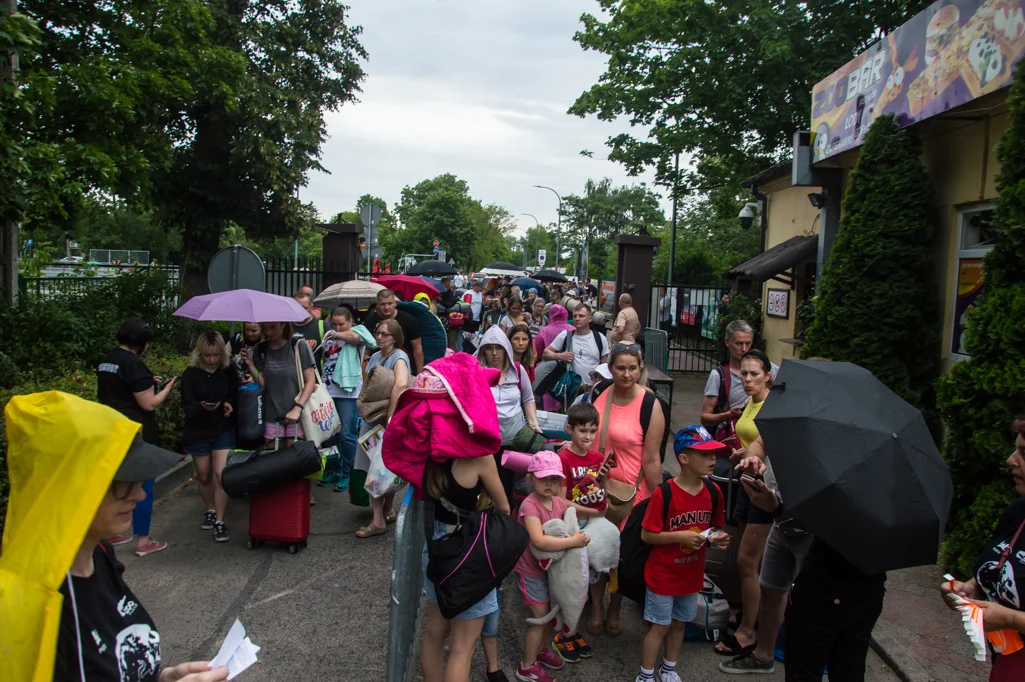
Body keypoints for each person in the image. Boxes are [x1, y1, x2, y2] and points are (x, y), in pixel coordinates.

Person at [2, 391, 230, 681]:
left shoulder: (98, 554)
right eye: (122, 482)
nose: (140, 493)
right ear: (69, 487)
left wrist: (161, 677)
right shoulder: (24, 610)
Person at [636, 425, 729, 682]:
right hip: (663, 575)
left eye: (713, 454)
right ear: (684, 458)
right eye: (705, 454)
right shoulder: (664, 493)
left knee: (679, 624)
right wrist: (680, 536)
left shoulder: (713, 492)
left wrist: (717, 538)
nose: (713, 460)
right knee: (660, 626)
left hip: (691, 575)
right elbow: (647, 535)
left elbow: (714, 528)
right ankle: (645, 675)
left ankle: (669, 668)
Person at [940, 417, 1025, 681]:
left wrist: (1012, 619)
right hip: (1006, 664)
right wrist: (970, 587)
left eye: (1024, 452)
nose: (1011, 460)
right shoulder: (1018, 512)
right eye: (1016, 449)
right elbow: (1004, 565)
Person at [590, 343, 665, 636]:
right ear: (610, 368)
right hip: (597, 489)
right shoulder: (600, 394)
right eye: (620, 367)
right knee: (596, 551)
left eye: (632, 368)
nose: (626, 374)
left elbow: (651, 458)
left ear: (641, 367)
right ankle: (596, 606)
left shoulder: (650, 404)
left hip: (632, 495)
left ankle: (614, 608)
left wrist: (662, 498)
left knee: (620, 556)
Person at [420, 455, 511, 682]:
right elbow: (504, 508)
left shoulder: (431, 449)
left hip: (437, 546)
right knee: (462, 648)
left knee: (434, 635)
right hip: (470, 554)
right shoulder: (480, 457)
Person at [97, 318, 177, 557]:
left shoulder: (107, 360)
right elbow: (149, 403)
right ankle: (143, 540)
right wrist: (166, 389)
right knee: (142, 486)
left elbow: (119, 389)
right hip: (137, 434)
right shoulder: (134, 364)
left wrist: (145, 383)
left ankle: (110, 531)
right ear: (140, 343)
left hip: (112, 429)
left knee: (117, 483)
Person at [712, 348, 774, 657]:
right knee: (748, 560)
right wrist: (741, 452)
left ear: (768, 376)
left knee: (749, 562)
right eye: (744, 374)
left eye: (754, 374)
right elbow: (755, 442)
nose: (747, 379)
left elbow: (769, 445)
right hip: (746, 481)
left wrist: (753, 455)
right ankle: (750, 614)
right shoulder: (752, 402)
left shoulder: (771, 406)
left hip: (764, 489)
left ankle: (751, 630)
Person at [515, 452, 590, 682]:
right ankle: (526, 666)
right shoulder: (529, 506)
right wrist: (572, 542)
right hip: (531, 572)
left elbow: (570, 521)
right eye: (543, 478)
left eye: (555, 479)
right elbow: (538, 540)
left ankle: (539, 652)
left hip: (552, 572)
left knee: (551, 617)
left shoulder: (558, 502)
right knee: (541, 618)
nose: (549, 484)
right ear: (531, 478)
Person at [552, 402, 609, 664]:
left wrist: (602, 497)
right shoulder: (563, 458)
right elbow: (561, 500)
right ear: (569, 430)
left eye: (592, 431)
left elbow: (599, 493)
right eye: (582, 430)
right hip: (572, 526)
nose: (587, 436)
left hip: (592, 527)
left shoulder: (598, 459)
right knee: (569, 583)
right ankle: (562, 632)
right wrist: (593, 513)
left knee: (588, 579)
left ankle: (572, 629)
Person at [180, 331, 238, 543]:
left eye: (215, 355)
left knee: (220, 474)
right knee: (203, 475)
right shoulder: (190, 374)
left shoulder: (228, 370)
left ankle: (220, 521)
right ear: (200, 354)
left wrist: (230, 403)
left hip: (223, 427)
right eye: (207, 356)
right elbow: (186, 405)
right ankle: (210, 509)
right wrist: (200, 407)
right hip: (198, 429)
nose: (212, 360)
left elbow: (235, 392)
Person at [354, 318, 410, 538]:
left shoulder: (399, 357)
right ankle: (387, 510)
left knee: (378, 470)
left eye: (384, 334)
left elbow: (402, 384)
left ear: (395, 337)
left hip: (386, 420)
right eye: (377, 332)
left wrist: (391, 417)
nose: (379, 336)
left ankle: (378, 521)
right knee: (379, 467)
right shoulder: (376, 356)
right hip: (372, 420)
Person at [318, 307, 376, 492]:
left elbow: (367, 341)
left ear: (351, 323)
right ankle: (332, 471)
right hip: (327, 390)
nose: (337, 327)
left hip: (347, 393)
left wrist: (337, 333)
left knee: (347, 434)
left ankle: (347, 473)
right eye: (334, 324)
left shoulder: (357, 334)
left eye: (342, 324)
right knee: (329, 435)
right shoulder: (328, 336)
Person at [242, 321, 317, 448]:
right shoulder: (261, 349)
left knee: (294, 457)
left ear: (283, 325)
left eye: (272, 327)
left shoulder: (298, 346)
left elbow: (310, 381)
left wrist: (298, 408)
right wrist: (251, 365)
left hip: (298, 412)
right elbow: (263, 384)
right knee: (274, 459)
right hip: (272, 414)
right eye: (265, 328)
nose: (269, 332)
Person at [477, 326, 542, 449]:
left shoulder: (518, 370)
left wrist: (533, 423)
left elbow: (528, 399)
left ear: (506, 349)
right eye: (489, 348)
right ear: (483, 350)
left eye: (499, 348)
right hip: (486, 441)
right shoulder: (476, 372)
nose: (495, 353)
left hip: (517, 439)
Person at [542, 304, 610, 391]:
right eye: (575, 316)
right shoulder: (566, 335)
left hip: (592, 389)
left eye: (581, 316)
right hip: (570, 389)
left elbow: (605, 365)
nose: (577, 318)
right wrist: (560, 356)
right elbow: (546, 353)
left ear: (590, 319)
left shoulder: (600, 338)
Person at [363, 288, 424, 373]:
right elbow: (366, 347)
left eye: (389, 303)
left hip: (402, 364)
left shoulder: (408, 320)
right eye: (383, 304)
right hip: (377, 366)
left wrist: (419, 374)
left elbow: (417, 348)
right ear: (377, 305)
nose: (386, 307)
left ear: (395, 303)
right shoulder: (370, 320)